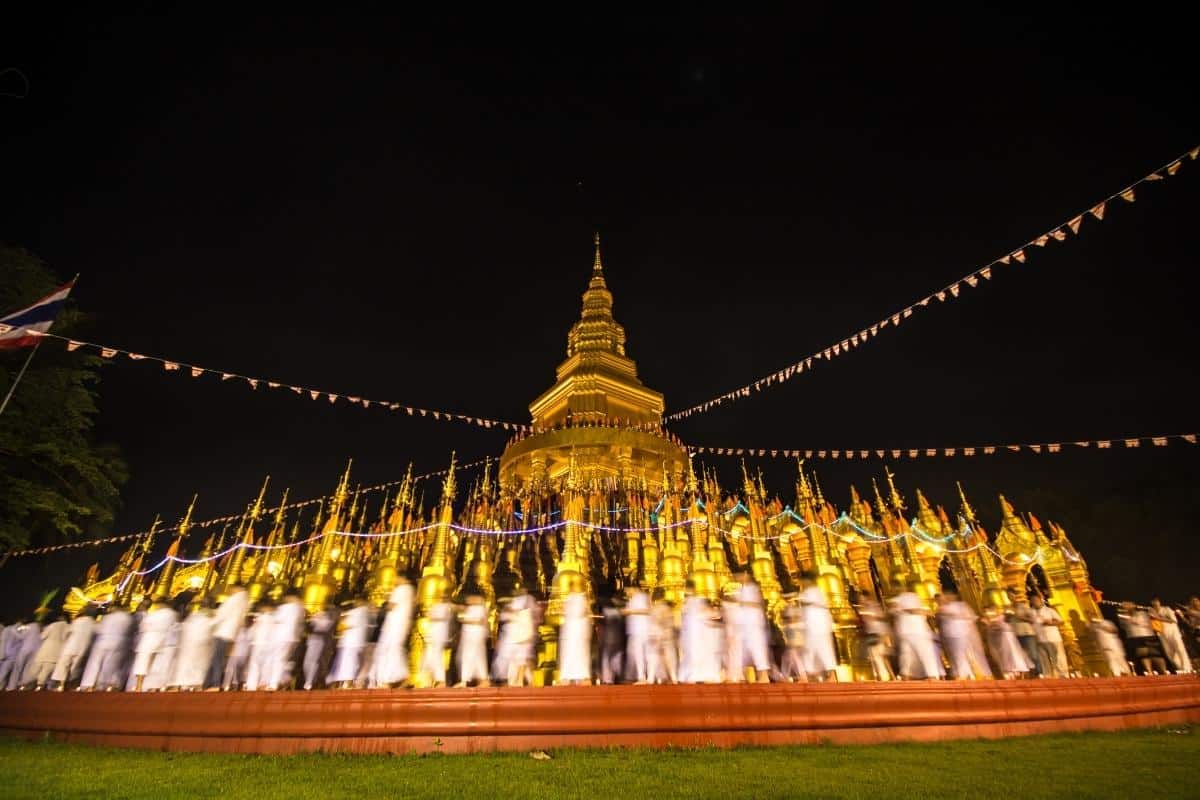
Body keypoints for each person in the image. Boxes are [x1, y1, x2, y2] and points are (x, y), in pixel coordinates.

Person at [370, 581, 414, 688]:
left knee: (389, 650)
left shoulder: (401, 589)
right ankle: (395, 679)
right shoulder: (410, 590)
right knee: (393, 650)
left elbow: (391, 606)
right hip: (401, 625)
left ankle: (391, 679)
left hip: (394, 625)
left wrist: (381, 605)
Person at [79, 604, 133, 691]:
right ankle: (102, 684)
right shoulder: (127, 618)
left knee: (95, 663)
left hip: (102, 641)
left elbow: (99, 629)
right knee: (109, 664)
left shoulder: (107, 617)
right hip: (118, 643)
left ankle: (88, 684)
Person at [891, 590, 943, 680]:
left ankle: (932, 676)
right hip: (909, 632)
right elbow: (894, 608)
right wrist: (917, 611)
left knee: (921, 654)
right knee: (908, 655)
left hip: (917, 632)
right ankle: (906, 676)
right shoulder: (900, 600)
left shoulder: (912, 598)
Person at [206, 585, 249, 689]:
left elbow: (222, 614)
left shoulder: (233, 600)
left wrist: (210, 623)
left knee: (217, 659)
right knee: (218, 658)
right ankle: (210, 683)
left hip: (223, 631)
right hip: (230, 633)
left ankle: (215, 683)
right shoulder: (244, 601)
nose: (229, 591)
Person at [938, 593, 989, 680]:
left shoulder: (959, 606)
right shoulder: (943, 608)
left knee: (964, 654)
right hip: (952, 636)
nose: (942, 601)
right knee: (957, 655)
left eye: (944, 598)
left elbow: (971, 618)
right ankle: (964, 673)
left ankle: (969, 674)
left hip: (962, 634)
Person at [130, 601, 178, 692]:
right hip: (161, 639)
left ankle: (139, 686)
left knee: (143, 663)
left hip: (149, 639)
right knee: (157, 664)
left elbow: (142, 627)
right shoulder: (171, 614)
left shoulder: (152, 614)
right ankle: (154, 686)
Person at [736, 575, 772, 683]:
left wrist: (742, 603)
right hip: (745, 626)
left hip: (754, 626)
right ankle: (744, 676)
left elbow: (758, 604)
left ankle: (764, 676)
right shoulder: (742, 589)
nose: (737, 578)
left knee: (758, 651)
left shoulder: (753, 588)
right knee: (743, 652)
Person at [173, 602, 216, 691]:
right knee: (198, 664)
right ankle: (193, 684)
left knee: (192, 663)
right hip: (199, 644)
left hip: (193, 644)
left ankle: (187, 684)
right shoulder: (202, 616)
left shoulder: (194, 617)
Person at [266, 594, 305, 690]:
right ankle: (284, 680)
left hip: (281, 637)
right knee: (284, 660)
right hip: (292, 638)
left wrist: (271, 613)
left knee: (277, 660)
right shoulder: (300, 609)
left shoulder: (285, 607)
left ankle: (274, 683)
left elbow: (276, 619)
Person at [51, 608, 97, 689]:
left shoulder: (77, 621)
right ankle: (71, 685)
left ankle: (61, 685)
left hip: (70, 646)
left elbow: (68, 633)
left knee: (63, 665)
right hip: (83, 648)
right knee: (75, 667)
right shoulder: (94, 624)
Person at [1117, 601, 1168, 675]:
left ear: (1133, 606)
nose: (1126, 606)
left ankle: (1164, 670)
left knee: (1155, 654)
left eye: (1128, 605)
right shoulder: (1122, 616)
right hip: (1135, 637)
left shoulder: (1142, 613)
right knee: (1143, 655)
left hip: (1148, 635)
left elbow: (1149, 620)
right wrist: (1126, 614)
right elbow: (1124, 625)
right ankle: (1149, 671)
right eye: (1124, 606)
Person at [328, 599, 370, 688]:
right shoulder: (360, 613)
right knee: (348, 663)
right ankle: (345, 683)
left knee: (349, 663)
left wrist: (343, 619)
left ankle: (347, 683)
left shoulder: (358, 612)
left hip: (350, 643)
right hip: (351, 643)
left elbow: (343, 626)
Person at [801, 581, 838, 681]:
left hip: (816, 628)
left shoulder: (811, 593)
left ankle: (829, 676)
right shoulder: (818, 593)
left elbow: (806, 606)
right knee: (813, 652)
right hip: (818, 628)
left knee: (817, 652)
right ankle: (825, 676)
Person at [984, 606, 1033, 679]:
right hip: (998, 641)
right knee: (1003, 656)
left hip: (1007, 638)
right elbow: (991, 630)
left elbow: (1004, 624)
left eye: (991, 610)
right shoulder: (989, 620)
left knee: (1013, 655)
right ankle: (1011, 673)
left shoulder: (1001, 618)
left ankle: (1019, 671)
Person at [557, 590, 591, 685]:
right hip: (570, 634)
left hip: (578, 633)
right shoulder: (570, 599)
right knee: (569, 655)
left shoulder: (580, 599)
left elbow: (581, 612)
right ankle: (567, 678)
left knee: (580, 655)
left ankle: (581, 678)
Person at [455, 595, 490, 687]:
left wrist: (465, 620)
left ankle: (467, 680)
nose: (468, 600)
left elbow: (481, 621)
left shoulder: (480, 608)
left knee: (470, 657)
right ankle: (482, 679)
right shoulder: (469, 608)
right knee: (474, 658)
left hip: (475, 636)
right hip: (469, 637)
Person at [1149, 599, 1192, 674]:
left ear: (1159, 602)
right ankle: (1180, 668)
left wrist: (1158, 618)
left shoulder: (1166, 609)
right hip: (1161, 633)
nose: (1155, 603)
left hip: (1172, 631)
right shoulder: (1151, 611)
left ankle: (1187, 667)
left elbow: (1174, 621)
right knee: (1169, 652)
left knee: (1179, 649)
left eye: (1156, 601)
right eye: (1153, 602)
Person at [1031, 595, 1068, 678]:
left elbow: (1061, 622)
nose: (1034, 602)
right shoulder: (1031, 612)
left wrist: (1050, 623)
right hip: (1039, 638)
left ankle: (1063, 675)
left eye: (1036, 600)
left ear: (1040, 600)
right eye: (1032, 601)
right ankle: (1048, 675)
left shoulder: (1049, 610)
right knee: (1043, 658)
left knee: (1057, 657)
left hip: (1052, 637)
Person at [29, 615, 70, 690]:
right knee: (48, 670)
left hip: (45, 650)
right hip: (57, 652)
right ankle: (42, 686)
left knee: (35, 670)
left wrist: (41, 629)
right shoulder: (69, 627)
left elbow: (42, 636)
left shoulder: (53, 625)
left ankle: (30, 685)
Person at [858, 598, 894, 681]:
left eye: (862, 599)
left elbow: (881, 619)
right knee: (876, 656)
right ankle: (883, 676)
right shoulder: (868, 609)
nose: (861, 602)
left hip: (879, 634)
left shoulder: (872, 608)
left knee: (881, 656)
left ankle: (886, 676)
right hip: (873, 635)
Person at [418, 598, 452, 688]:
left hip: (438, 637)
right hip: (433, 637)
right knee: (428, 658)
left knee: (436, 658)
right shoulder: (436, 610)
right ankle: (430, 681)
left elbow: (442, 618)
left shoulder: (446, 608)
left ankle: (440, 681)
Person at [243, 601, 277, 690]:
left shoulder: (262, 618)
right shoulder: (267, 618)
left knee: (258, 664)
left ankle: (254, 684)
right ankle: (258, 683)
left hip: (262, 644)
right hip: (262, 644)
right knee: (261, 664)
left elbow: (251, 632)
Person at [302, 603, 337, 690]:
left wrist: (317, 619)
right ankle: (310, 680)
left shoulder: (327, 618)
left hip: (319, 642)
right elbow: (308, 627)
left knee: (313, 662)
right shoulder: (316, 616)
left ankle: (309, 682)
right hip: (311, 640)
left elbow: (324, 627)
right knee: (306, 663)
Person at [1007, 591, 1041, 677]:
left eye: (1011, 595)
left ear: (1015, 596)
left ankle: (1039, 672)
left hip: (1027, 633)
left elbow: (1032, 619)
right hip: (1016, 635)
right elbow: (1006, 621)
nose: (1010, 598)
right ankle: (1029, 673)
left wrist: (1020, 617)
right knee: (1022, 655)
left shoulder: (1023, 606)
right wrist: (1007, 616)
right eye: (1008, 596)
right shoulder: (1008, 608)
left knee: (1033, 654)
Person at [622, 588, 652, 683]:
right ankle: (641, 676)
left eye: (627, 590)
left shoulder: (642, 597)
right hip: (636, 632)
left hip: (643, 630)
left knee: (647, 654)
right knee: (639, 655)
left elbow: (648, 610)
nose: (626, 592)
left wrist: (631, 611)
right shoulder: (632, 599)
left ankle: (648, 677)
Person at [648, 597, 679, 684]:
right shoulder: (668, 609)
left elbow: (658, 620)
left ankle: (652, 678)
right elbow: (673, 624)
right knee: (670, 658)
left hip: (657, 634)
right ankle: (673, 678)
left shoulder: (655, 608)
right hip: (667, 635)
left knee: (654, 657)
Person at [7, 618, 42, 690]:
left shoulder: (28, 626)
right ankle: (23, 686)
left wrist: (13, 630)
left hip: (25, 649)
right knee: (27, 669)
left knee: (17, 668)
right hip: (36, 650)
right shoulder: (38, 627)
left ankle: (11, 687)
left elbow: (21, 636)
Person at [779, 597, 807, 681]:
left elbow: (794, 621)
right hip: (794, 642)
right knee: (787, 658)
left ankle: (802, 676)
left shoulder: (795, 610)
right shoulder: (790, 609)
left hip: (796, 642)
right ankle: (785, 676)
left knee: (795, 659)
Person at [598, 599, 625, 685]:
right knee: (616, 659)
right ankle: (618, 677)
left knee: (607, 660)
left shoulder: (608, 613)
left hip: (609, 640)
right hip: (617, 639)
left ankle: (609, 679)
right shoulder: (617, 613)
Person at [0, 621, 19, 688]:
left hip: (8, 654)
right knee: (4, 672)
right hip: (9, 654)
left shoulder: (7, 629)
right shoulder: (9, 629)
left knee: (4, 672)